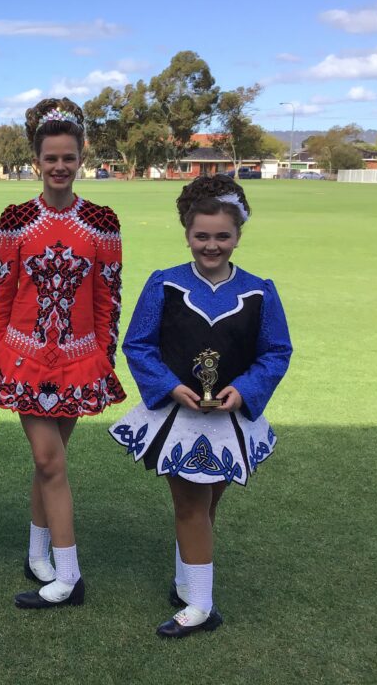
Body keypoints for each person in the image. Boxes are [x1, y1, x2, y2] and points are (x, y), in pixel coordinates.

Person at [107, 174, 291, 637]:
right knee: (190, 505)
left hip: (230, 420)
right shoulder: (165, 284)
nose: (212, 245)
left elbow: (276, 351)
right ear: (187, 233)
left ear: (238, 235)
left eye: (222, 236)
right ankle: (200, 605)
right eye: (201, 236)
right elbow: (139, 345)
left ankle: (187, 581)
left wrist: (245, 389)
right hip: (177, 417)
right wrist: (170, 386)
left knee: (205, 508)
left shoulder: (259, 290)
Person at [0, 97, 125, 609]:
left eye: (68, 157)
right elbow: (2, 292)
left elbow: (108, 296)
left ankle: (38, 553)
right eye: (50, 158)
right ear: (35, 160)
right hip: (25, 358)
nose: (59, 166)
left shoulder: (102, 221)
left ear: (81, 157)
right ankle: (69, 574)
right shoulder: (15, 218)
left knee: (50, 464)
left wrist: (103, 355)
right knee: (49, 460)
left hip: (81, 359)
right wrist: (0, 352)